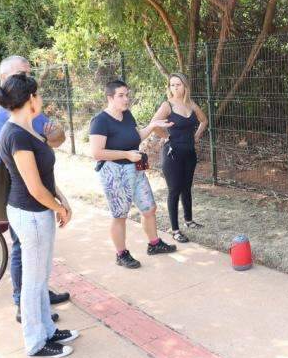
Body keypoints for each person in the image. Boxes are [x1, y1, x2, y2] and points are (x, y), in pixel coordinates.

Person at [0, 74, 78, 358]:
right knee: (33, 282)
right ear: (30, 100)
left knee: (40, 276)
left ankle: (47, 329)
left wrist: (60, 198)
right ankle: (36, 342)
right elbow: (34, 187)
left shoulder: (26, 129)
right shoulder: (15, 134)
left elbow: (43, 175)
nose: (40, 100)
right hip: (31, 214)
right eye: (37, 95)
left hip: (38, 212)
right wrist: (58, 208)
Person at [89, 79, 176, 269]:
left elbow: (136, 136)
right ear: (110, 97)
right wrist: (126, 155)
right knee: (120, 215)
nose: (126, 99)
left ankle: (154, 244)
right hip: (114, 172)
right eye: (121, 95)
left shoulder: (127, 115)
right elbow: (96, 153)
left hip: (135, 170)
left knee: (149, 208)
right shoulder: (100, 121)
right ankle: (121, 254)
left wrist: (153, 126)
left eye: (127, 94)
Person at [151, 73, 208, 243]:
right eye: (172, 85)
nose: (175, 88)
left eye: (178, 84)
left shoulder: (191, 104)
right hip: (172, 154)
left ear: (185, 86)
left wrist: (196, 136)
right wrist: (166, 137)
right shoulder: (167, 105)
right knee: (174, 190)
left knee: (186, 188)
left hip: (190, 153)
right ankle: (175, 230)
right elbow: (153, 125)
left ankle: (189, 221)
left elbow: (204, 121)